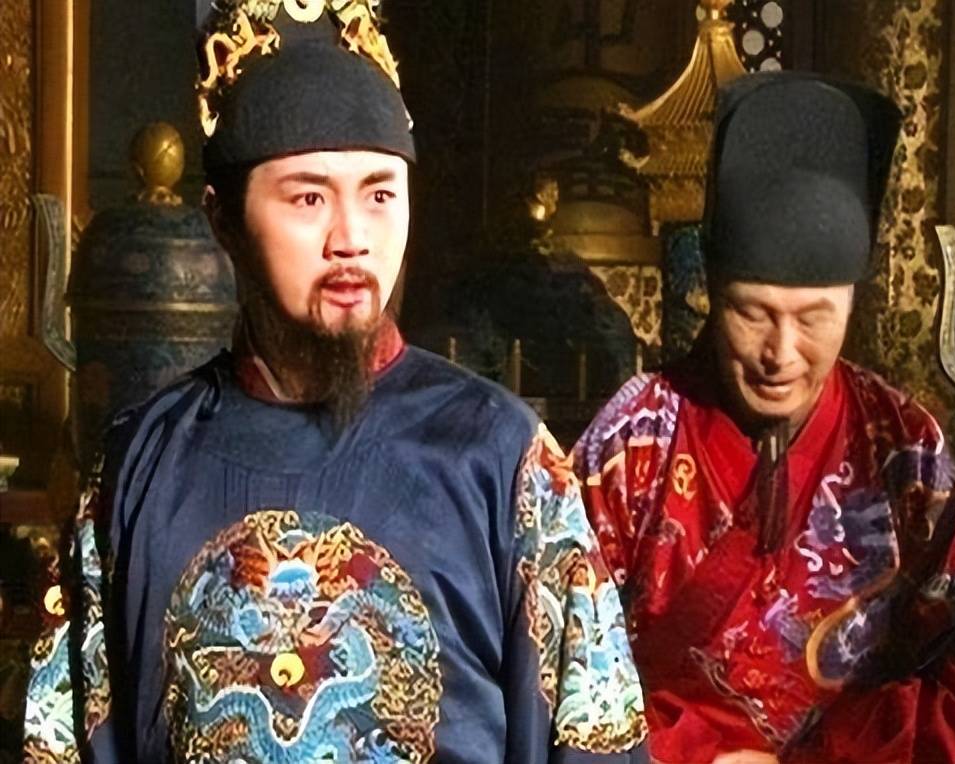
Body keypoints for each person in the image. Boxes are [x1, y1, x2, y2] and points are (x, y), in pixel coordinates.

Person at [23, 2, 647, 761]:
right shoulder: (138, 466)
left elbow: (594, 736)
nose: (351, 239)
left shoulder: (502, 458)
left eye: (380, 194)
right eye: (308, 198)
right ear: (223, 221)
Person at [574, 72, 955, 763]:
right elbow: (562, 667)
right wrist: (694, 754)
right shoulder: (631, 442)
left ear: (852, 303)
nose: (781, 353)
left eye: (814, 318)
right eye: (752, 313)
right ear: (713, 292)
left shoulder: (904, 448)